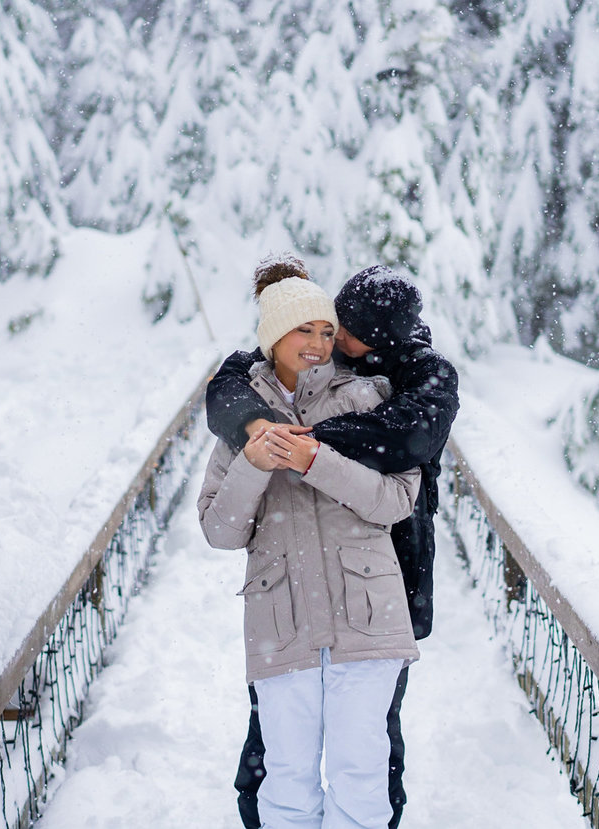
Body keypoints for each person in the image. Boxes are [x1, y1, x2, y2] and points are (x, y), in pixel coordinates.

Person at [207, 264, 459, 829]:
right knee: (282, 765)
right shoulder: (248, 403)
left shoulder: (398, 386)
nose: (327, 342)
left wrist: (312, 452)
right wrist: (253, 445)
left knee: (364, 762)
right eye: (313, 330)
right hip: (284, 613)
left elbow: (403, 473)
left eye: (334, 331)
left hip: (382, 595)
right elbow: (220, 527)